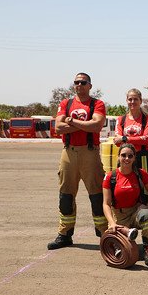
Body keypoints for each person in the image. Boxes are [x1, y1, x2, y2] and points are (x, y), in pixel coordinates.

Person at [47, 72, 108, 250]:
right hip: (68, 153)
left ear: (90, 85)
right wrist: (84, 124)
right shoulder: (66, 103)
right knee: (65, 196)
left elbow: (97, 125)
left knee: (97, 195)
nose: (79, 85)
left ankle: (104, 233)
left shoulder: (97, 104)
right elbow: (58, 128)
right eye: (76, 82)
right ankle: (65, 233)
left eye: (83, 82)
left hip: (90, 153)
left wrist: (71, 121)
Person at [102, 143, 148, 266]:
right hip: (119, 215)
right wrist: (112, 223)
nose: (127, 159)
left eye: (130, 156)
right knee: (115, 249)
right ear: (118, 157)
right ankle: (126, 232)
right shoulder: (110, 177)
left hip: (135, 212)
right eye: (123, 155)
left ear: (134, 158)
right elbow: (106, 204)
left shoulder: (141, 174)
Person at [114, 88, 148, 186]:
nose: (132, 102)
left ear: (140, 101)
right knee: (124, 186)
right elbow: (117, 141)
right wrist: (137, 139)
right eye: (130, 99)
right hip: (125, 158)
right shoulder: (121, 120)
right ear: (126, 101)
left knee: (146, 189)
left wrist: (125, 139)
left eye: (135, 99)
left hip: (143, 158)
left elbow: (146, 139)